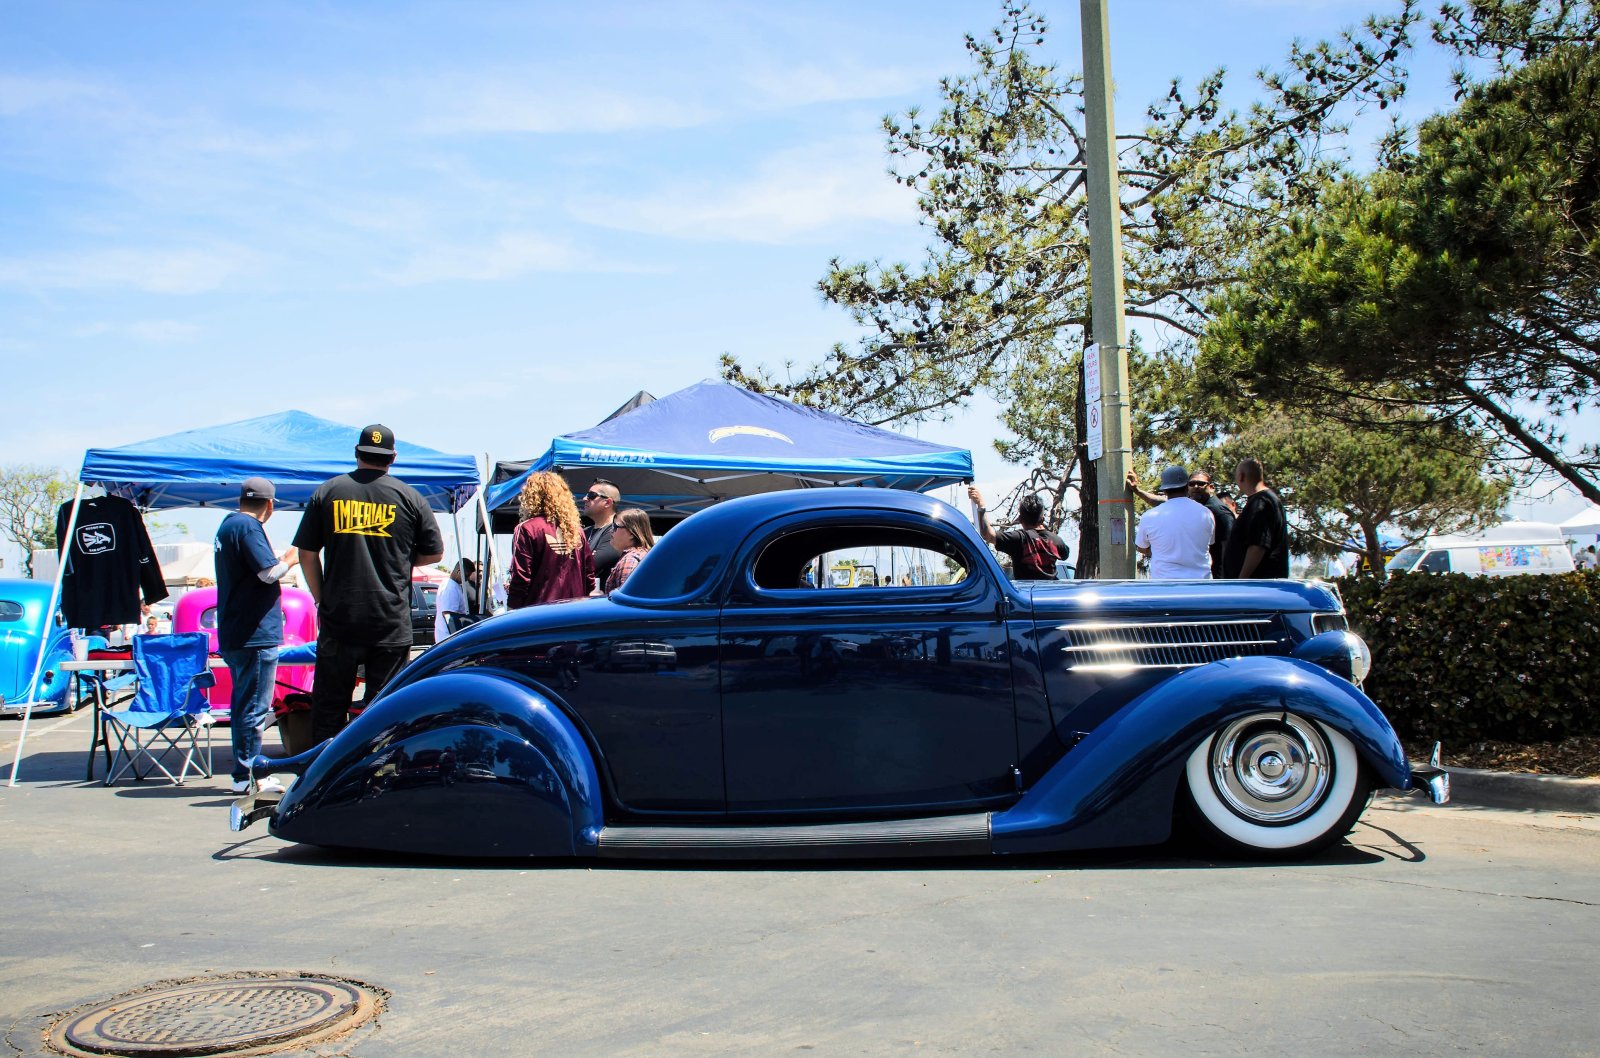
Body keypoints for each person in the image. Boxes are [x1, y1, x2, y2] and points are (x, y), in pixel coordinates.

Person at [294, 425, 444, 743]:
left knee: (329, 709)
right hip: (389, 619)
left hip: (340, 617)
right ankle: (377, 780)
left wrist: (321, 598)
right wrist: (400, 559)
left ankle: (321, 783)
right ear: (393, 457)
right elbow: (435, 553)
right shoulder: (411, 498)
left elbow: (307, 553)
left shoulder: (328, 492)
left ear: (356, 452)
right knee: (385, 710)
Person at [215, 477, 300, 793]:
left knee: (243, 704)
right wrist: (292, 556)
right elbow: (268, 573)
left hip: (236, 630)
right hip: (255, 632)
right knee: (255, 706)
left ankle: (244, 772)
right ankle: (251, 775)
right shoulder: (248, 528)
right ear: (270, 505)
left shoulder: (228, 525)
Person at [1127, 467, 1235, 578]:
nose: (1196, 487)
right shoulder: (1206, 513)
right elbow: (1210, 543)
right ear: (1186, 487)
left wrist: (1161, 550)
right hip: (1200, 585)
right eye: (1192, 484)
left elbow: (1141, 547)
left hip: (1164, 587)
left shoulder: (1149, 516)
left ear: (1164, 490)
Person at [507, 471, 594, 608]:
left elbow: (521, 577)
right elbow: (589, 578)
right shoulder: (577, 531)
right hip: (575, 611)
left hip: (539, 613)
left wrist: (512, 608)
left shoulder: (526, 529)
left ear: (530, 497)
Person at [965, 486, 1069, 579]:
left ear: (1020, 519)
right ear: (1042, 518)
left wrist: (981, 506)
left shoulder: (1019, 539)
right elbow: (1065, 554)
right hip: (1051, 594)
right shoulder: (1057, 541)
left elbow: (988, 535)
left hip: (1027, 595)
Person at [1222, 458, 1290, 579]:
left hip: (1256, 584)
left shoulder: (1261, 503)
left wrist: (1242, 579)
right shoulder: (1267, 499)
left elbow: (1257, 546)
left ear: (1241, 477)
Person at [582, 479, 623, 592]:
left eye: (591, 495)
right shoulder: (584, 532)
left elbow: (590, 567)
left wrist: (580, 557)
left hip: (602, 604)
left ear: (608, 502)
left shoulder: (617, 531)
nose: (585, 498)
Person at [603, 509, 656, 594]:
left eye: (615, 526)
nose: (611, 530)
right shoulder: (644, 555)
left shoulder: (630, 559)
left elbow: (627, 600)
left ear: (631, 533)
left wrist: (600, 598)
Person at [433, 559, 477, 641]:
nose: (467, 579)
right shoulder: (450, 588)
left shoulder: (450, 584)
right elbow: (448, 616)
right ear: (459, 572)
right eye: (466, 576)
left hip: (444, 634)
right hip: (448, 636)